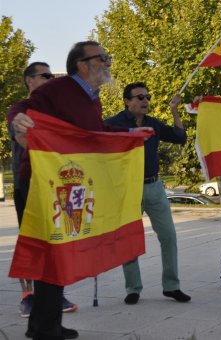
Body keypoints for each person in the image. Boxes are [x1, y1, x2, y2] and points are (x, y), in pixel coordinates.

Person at [11, 40, 151, 340]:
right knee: (52, 253)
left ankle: (44, 324)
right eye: (102, 57)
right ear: (82, 64)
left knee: (61, 252)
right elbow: (20, 107)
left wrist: (130, 133)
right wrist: (17, 121)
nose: (108, 62)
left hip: (69, 183)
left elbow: (94, 132)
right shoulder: (59, 88)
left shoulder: (92, 97)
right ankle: (44, 326)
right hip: (41, 182)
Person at [104, 83, 191, 305]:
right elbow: (98, 142)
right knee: (129, 239)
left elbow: (180, 137)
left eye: (147, 97)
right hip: (128, 189)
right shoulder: (113, 124)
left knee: (169, 236)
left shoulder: (153, 123)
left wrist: (174, 110)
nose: (145, 101)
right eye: (140, 97)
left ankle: (172, 286)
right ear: (126, 101)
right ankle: (133, 288)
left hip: (155, 187)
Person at [7, 62, 80, 319]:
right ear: (29, 80)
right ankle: (27, 296)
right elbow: (23, 138)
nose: (51, 79)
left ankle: (51, 293)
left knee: (54, 240)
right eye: (45, 75)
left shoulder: (55, 113)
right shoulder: (19, 111)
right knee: (30, 240)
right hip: (27, 185)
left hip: (53, 186)